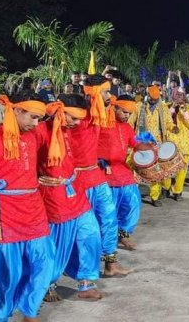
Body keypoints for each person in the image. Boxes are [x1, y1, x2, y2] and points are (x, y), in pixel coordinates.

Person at [0, 91, 53, 321]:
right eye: (32, 117)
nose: (36, 123)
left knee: (43, 262)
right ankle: (2, 314)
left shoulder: (33, 136)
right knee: (7, 270)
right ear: (16, 111)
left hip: (33, 207)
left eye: (39, 118)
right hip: (5, 210)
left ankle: (29, 309)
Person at [38, 94, 103, 301]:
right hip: (52, 195)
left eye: (79, 119)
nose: (77, 123)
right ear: (59, 110)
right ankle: (47, 284)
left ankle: (86, 282)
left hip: (74, 190)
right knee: (56, 241)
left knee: (91, 233)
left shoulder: (68, 131)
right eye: (73, 117)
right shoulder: (39, 132)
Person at [73, 75, 129, 276]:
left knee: (109, 219)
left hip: (96, 177)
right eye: (106, 91)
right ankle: (59, 278)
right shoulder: (73, 115)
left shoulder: (100, 114)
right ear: (93, 92)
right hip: (77, 180)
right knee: (83, 230)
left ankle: (110, 264)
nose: (110, 95)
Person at [98, 95, 141, 250]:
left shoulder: (127, 127)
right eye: (124, 112)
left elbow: (135, 143)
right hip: (104, 172)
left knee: (133, 203)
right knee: (108, 211)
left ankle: (123, 235)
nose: (127, 116)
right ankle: (106, 242)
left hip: (123, 171)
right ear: (114, 107)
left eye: (129, 113)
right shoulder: (101, 123)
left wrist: (150, 149)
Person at [129, 84, 176, 207]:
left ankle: (155, 196)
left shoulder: (163, 108)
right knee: (137, 170)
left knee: (156, 172)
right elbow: (130, 123)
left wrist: (173, 128)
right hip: (140, 142)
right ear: (147, 95)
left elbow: (169, 122)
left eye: (156, 99)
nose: (153, 100)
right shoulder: (139, 107)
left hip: (157, 143)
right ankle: (133, 196)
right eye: (151, 97)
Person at [165, 88, 189, 200]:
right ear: (173, 96)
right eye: (177, 95)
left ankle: (178, 191)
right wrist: (172, 108)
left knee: (182, 168)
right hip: (170, 142)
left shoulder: (188, 108)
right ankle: (166, 188)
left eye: (181, 95)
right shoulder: (167, 106)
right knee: (167, 167)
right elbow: (165, 121)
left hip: (184, 143)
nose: (179, 97)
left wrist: (183, 111)